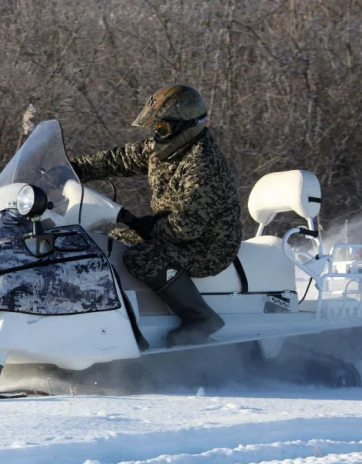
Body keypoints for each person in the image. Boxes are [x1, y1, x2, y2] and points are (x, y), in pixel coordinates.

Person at [70, 84, 242, 347]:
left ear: (186, 127)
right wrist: (74, 169)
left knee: (143, 257)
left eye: (162, 128)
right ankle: (110, 316)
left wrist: (144, 226)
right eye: (155, 127)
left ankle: (200, 317)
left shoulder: (202, 166)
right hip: (174, 231)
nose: (156, 134)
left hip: (208, 245)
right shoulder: (165, 150)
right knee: (107, 239)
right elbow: (119, 159)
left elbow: (185, 228)